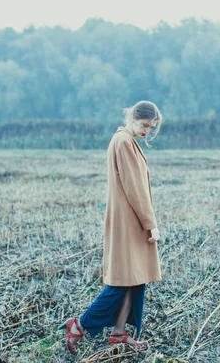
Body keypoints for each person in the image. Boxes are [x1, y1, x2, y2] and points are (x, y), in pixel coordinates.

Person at [59, 101, 163, 354]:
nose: (146, 131)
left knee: (134, 279)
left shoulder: (126, 141)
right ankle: (79, 325)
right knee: (121, 281)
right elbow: (135, 188)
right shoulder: (124, 142)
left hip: (130, 220)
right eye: (144, 125)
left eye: (151, 127)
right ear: (133, 117)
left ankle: (119, 333)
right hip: (130, 222)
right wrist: (151, 224)